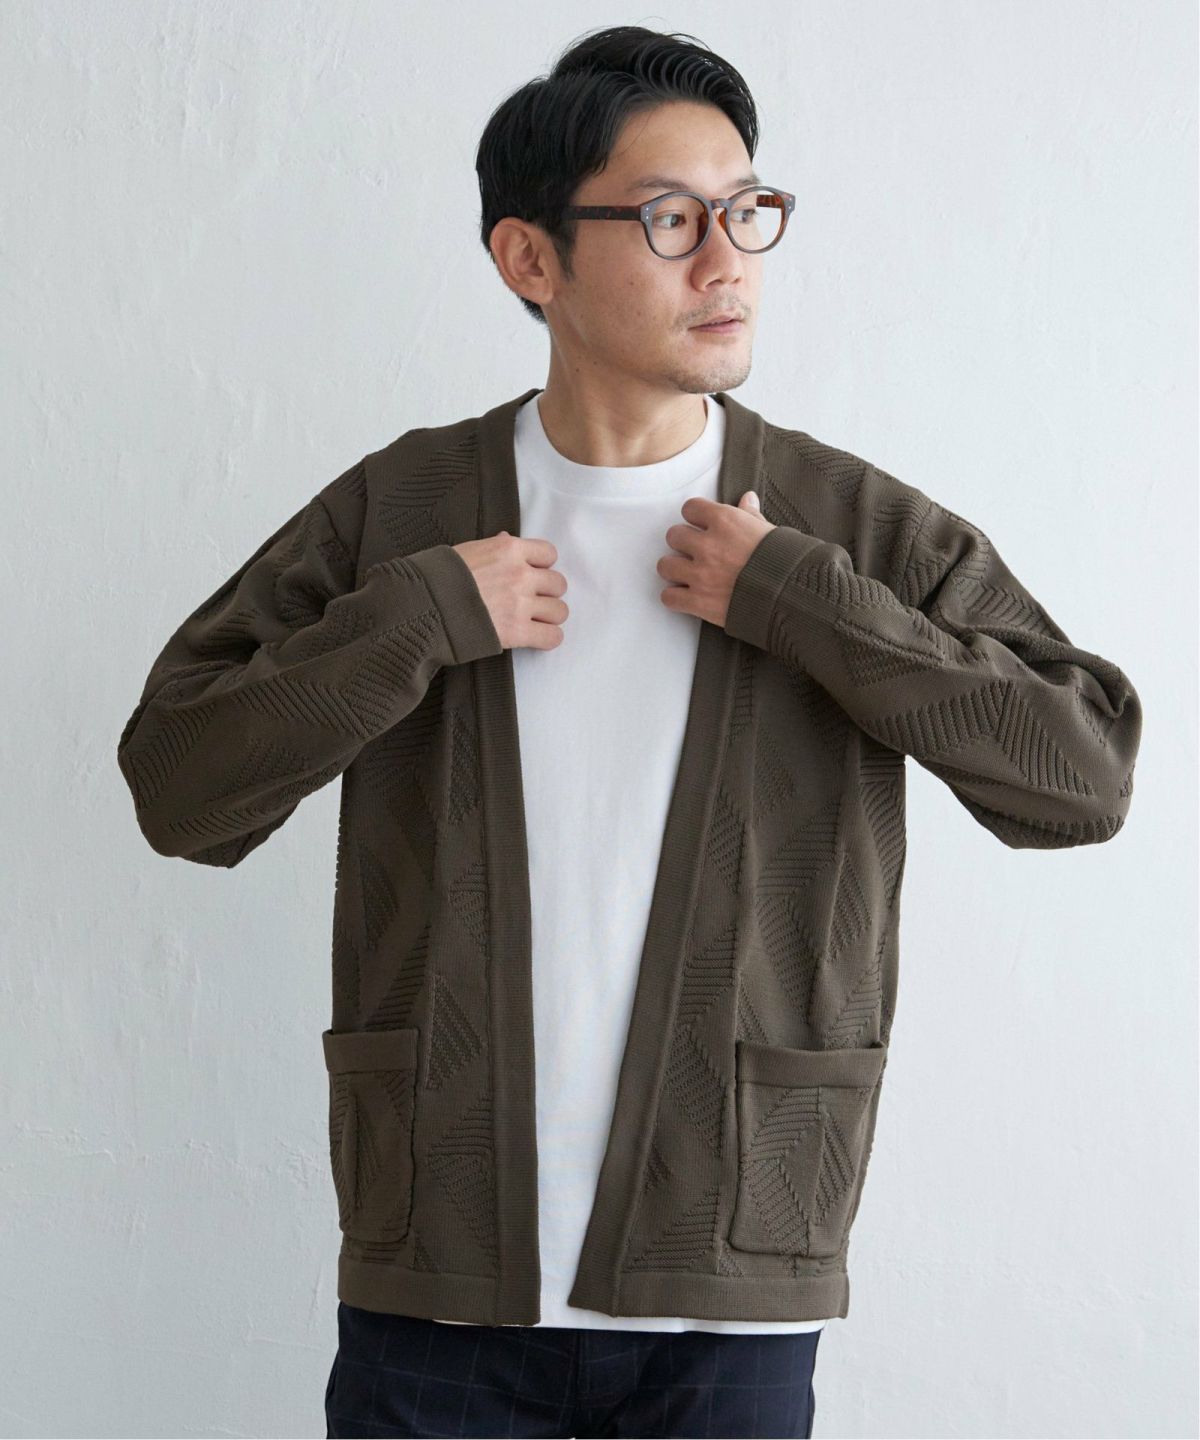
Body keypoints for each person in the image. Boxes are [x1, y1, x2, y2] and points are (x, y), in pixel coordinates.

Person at [116, 23, 1142, 1440]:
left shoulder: (842, 527)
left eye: (748, 211)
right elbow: (178, 784)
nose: (728, 261)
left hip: (727, 1287)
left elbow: (1081, 775)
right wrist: (416, 620)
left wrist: (806, 604)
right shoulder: (406, 515)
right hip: (441, 1289)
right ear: (529, 258)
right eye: (671, 219)